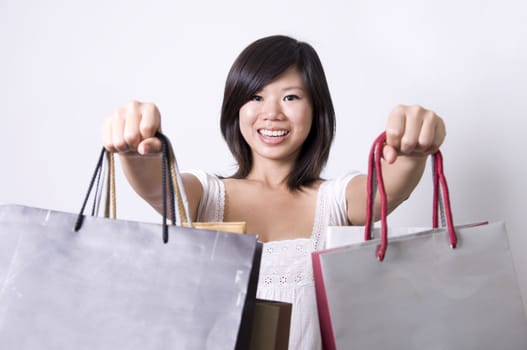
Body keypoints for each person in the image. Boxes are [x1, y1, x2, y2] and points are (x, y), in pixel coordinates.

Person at [102, 35, 445, 349]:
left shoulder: (335, 200)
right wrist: (135, 150)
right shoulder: (207, 195)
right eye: (255, 96)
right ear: (236, 108)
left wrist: (412, 150)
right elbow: (159, 187)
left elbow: (383, 191)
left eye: (291, 97)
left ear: (315, 110)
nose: (271, 113)